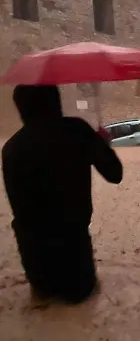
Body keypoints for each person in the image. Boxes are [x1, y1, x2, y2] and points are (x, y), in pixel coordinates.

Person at [1, 85, 123, 304]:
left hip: (36, 267)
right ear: (56, 101)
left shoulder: (11, 148)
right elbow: (115, 174)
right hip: (76, 264)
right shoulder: (77, 131)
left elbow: (18, 209)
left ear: (21, 108)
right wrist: (102, 145)